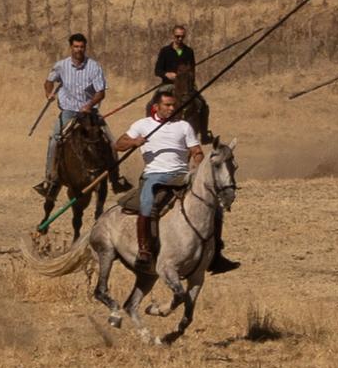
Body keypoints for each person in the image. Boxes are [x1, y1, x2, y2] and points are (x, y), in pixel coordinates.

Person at [114, 89, 236, 272]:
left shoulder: (184, 126)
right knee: (147, 203)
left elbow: (196, 150)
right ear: (156, 107)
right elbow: (118, 144)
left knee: (215, 207)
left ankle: (216, 254)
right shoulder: (142, 125)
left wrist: (197, 160)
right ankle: (144, 249)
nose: (172, 108)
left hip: (181, 175)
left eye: (173, 105)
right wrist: (133, 142)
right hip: (154, 175)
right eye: (167, 105)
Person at [38, 33, 129, 197]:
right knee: (54, 139)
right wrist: (48, 93)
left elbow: (100, 93)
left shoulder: (94, 67)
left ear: (85, 48)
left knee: (111, 141)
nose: (79, 50)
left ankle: (116, 179)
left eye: (81, 47)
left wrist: (89, 105)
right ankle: (49, 180)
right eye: (76, 47)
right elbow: (48, 81)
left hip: (89, 112)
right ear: (71, 47)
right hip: (69, 111)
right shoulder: (61, 65)